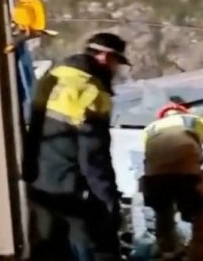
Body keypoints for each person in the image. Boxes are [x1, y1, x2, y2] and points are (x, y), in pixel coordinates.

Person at [23, 32, 129, 261]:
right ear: (104, 57)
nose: (116, 71)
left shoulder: (50, 79)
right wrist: (109, 203)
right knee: (100, 250)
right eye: (116, 63)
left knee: (47, 252)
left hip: (40, 188)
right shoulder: (91, 92)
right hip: (74, 193)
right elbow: (94, 159)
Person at [140, 102, 203, 260]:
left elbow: (153, 157)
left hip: (153, 180)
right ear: (182, 111)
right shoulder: (193, 120)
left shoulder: (149, 129)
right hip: (187, 177)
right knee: (202, 219)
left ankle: (168, 253)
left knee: (163, 215)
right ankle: (199, 255)